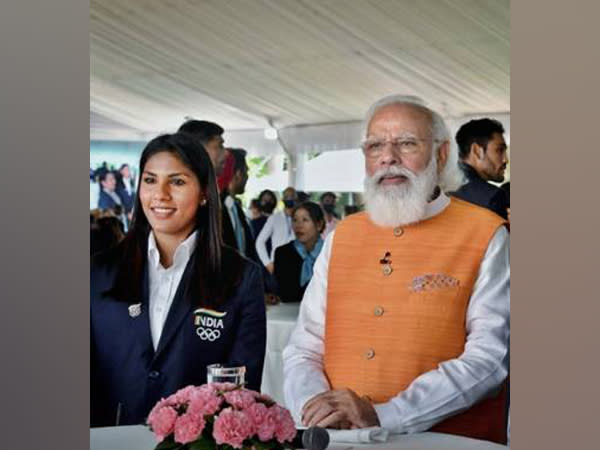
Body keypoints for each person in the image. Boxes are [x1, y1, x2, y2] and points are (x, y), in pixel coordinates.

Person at [283, 95, 509, 444]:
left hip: (446, 441)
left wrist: (387, 414)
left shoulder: (486, 232)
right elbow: (305, 345)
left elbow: (489, 358)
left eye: (406, 143)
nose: (388, 157)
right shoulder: (343, 234)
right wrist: (316, 406)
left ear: (441, 153)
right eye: (375, 146)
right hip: (338, 440)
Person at [91, 133, 266, 427]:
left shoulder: (240, 277)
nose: (160, 194)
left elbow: (241, 394)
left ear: (204, 193)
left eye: (177, 181)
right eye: (150, 180)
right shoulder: (98, 272)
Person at [451, 118, 509, 219]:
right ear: (477, 151)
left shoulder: (440, 187)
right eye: (500, 150)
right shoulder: (492, 197)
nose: (505, 160)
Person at [274, 202, 325, 303]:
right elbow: (284, 294)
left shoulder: (329, 253)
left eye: (305, 220)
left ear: (319, 225)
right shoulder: (282, 253)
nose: (298, 225)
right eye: (295, 220)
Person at [220, 148, 258, 261]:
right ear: (237, 174)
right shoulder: (215, 208)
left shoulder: (236, 208)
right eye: (246, 172)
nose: (247, 177)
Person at [255, 187, 298, 274]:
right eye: (287, 196)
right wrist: (267, 263)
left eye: (292, 196)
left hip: (297, 265)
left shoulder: (301, 219)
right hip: (277, 264)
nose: (289, 199)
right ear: (282, 199)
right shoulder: (274, 218)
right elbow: (260, 242)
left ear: (296, 199)